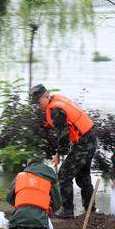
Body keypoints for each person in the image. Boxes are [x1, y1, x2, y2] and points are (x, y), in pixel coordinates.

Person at [31, 84, 96, 218]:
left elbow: (64, 134)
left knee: (64, 175)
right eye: (35, 104)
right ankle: (91, 210)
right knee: (83, 176)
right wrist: (59, 152)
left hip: (84, 143)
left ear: (46, 96)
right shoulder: (56, 101)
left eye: (38, 102)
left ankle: (67, 211)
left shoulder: (55, 110)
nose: (38, 106)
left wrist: (59, 154)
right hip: (89, 139)